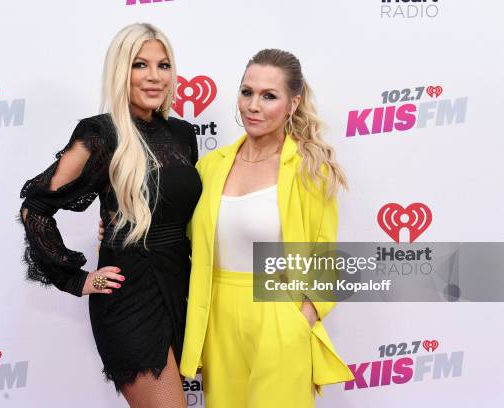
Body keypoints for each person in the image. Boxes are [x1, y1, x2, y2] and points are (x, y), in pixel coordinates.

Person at [18, 23, 201, 408]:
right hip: (130, 295)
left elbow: (176, 209)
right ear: (121, 70)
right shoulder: (100, 134)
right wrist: (77, 279)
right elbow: (35, 205)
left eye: (163, 65)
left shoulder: (184, 134)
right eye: (140, 65)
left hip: (182, 286)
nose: (154, 76)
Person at [179, 49, 354, 407]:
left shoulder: (309, 168)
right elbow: (180, 237)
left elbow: (325, 256)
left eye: (269, 96)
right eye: (247, 92)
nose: (253, 106)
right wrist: (117, 228)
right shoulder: (211, 166)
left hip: (278, 313)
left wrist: (300, 320)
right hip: (217, 319)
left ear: (293, 102)